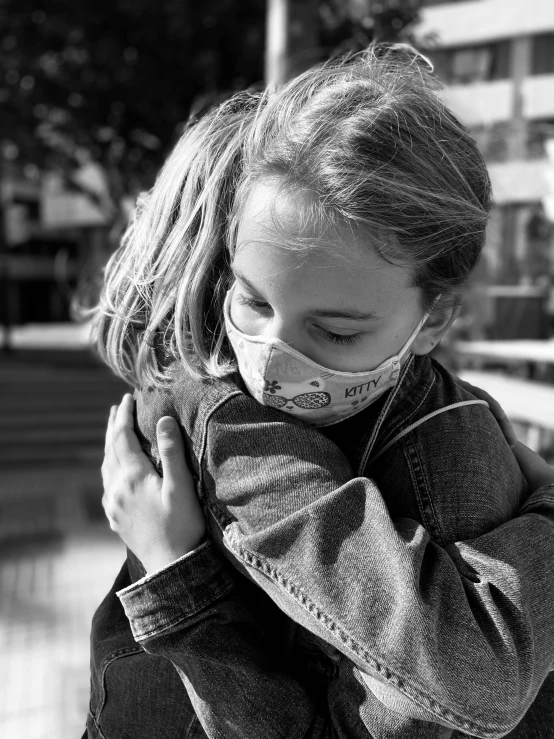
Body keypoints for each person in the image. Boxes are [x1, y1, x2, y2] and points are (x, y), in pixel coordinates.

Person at [86, 46, 554, 739]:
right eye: (247, 301)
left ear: (437, 318)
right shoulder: (205, 386)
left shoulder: (449, 463)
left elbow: (478, 673)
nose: (272, 363)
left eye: (334, 333)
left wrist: (175, 578)